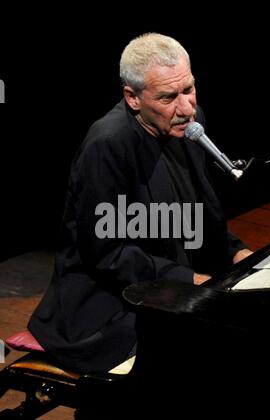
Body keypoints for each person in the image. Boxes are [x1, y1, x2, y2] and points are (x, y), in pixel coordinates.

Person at [28, 33, 252, 374]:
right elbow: (106, 254)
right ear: (132, 98)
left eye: (188, 89)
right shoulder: (108, 144)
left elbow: (199, 212)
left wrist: (235, 251)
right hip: (110, 300)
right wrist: (188, 280)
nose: (185, 107)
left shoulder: (189, 123)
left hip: (175, 278)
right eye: (167, 97)